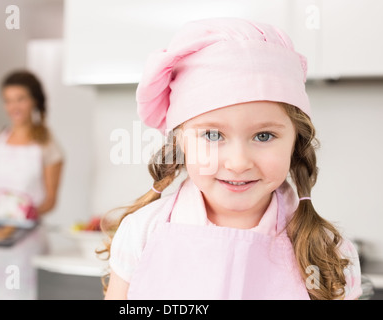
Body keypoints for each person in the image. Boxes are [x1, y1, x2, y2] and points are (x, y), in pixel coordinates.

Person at [101, 18, 362, 300]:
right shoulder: (142, 233)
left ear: (295, 143)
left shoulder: (329, 252)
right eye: (213, 135)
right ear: (180, 141)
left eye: (263, 136)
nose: (238, 163)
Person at [0, 70, 64, 299]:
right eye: (8, 100)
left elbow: (51, 200)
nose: (14, 106)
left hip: (26, 241)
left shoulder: (48, 146)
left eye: (20, 99)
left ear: (34, 100)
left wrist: (26, 212)